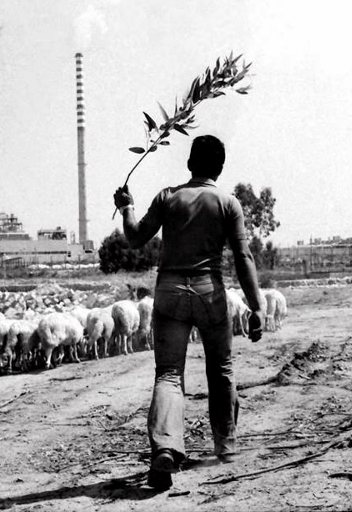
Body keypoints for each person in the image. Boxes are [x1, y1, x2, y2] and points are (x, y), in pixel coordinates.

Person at [113, 134, 265, 490]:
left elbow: (135, 238)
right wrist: (256, 306)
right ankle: (225, 446)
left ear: (189, 164)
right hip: (209, 292)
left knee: (168, 374)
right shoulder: (229, 203)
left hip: (169, 292)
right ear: (221, 168)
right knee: (221, 368)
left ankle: (166, 447)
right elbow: (243, 258)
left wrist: (127, 207)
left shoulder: (167, 197)